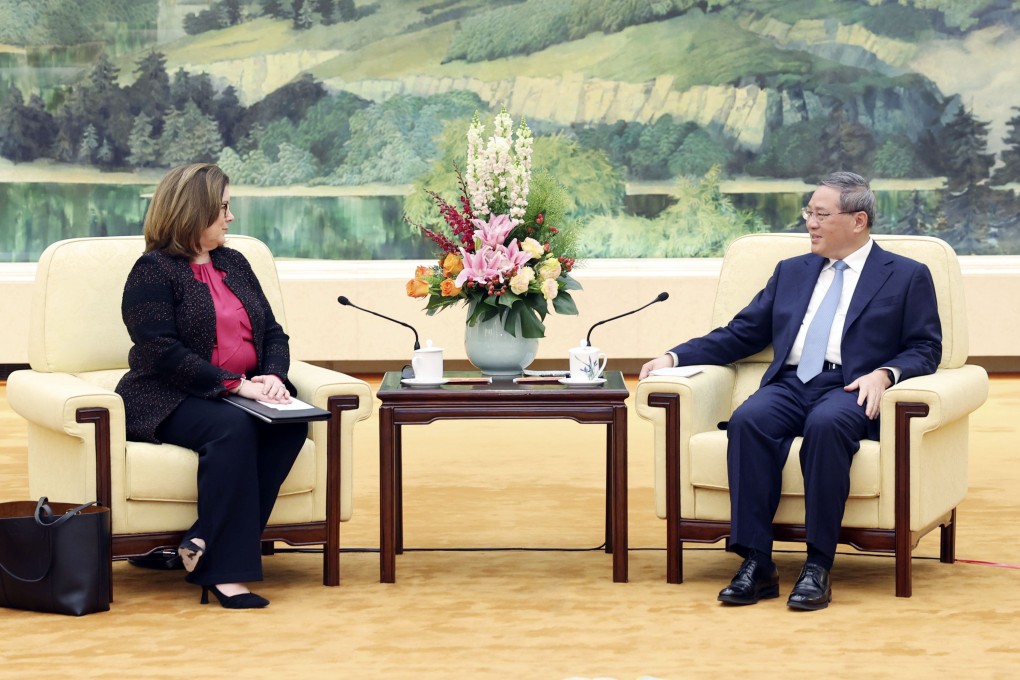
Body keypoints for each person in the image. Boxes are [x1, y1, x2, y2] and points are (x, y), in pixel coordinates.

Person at [639, 171, 942, 610]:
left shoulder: (906, 275)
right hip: (792, 382)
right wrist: (674, 357)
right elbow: (742, 333)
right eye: (808, 213)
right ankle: (756, 562)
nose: (810, 223)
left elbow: (926, 348)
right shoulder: (791, 271)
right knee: (749, 420)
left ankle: (817, 564)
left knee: (826, 426)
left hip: (850, 386)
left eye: (821, 215)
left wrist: (885, 374)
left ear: (858, 220)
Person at [115, 163, 306, 609]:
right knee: (231, 428)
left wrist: (273, 376)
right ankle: (225, 575)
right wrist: (235, 386)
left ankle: (202, 539)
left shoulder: (235, 262)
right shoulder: (152, 270)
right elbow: (160, 349)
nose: (230, 217)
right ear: (192, 211)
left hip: (243, 390)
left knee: (290, 423)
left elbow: (273, 332)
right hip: (165, 394)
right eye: (222, 208)